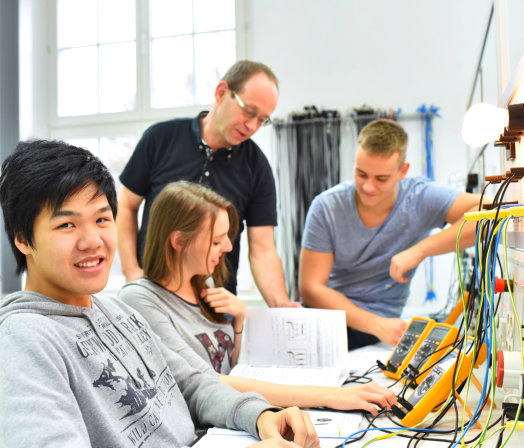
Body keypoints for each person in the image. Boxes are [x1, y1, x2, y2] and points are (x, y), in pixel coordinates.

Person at [0, 140, 319, 448]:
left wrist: (260, 414)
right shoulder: (21, 341)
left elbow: (192, 386)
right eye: (67, 225)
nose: (92, 240)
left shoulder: (119, 313)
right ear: (23, 240)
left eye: (101, 219)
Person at [118, 180, 397, 415]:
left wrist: (238, 322)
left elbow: (232, 367)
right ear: (178, 241)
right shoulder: (140, 300)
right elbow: (206, 382)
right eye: (216, 241)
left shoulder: (203, 288)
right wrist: (328, 395)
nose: (227, 246)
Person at [117, 60, 296, 308]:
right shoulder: (160, 139)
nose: (253, 126)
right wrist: (131, 272)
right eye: (249, 112)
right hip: (151, 295)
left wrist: (281, 305)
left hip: (215, 306)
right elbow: (125, 207)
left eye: (263, 120)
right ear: (222, 92)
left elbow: (263, 249)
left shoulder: (257, 167)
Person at [299, 119, 480, 350]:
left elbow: (487, 215)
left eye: (381, 178)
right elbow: (311, 289)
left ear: (403, 171)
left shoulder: (420, 197)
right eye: (361, 174)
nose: (368, 187)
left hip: (379, 336)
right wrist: (376, 325)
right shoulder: (326, 206)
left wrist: (420, 251)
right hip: (329, 323)